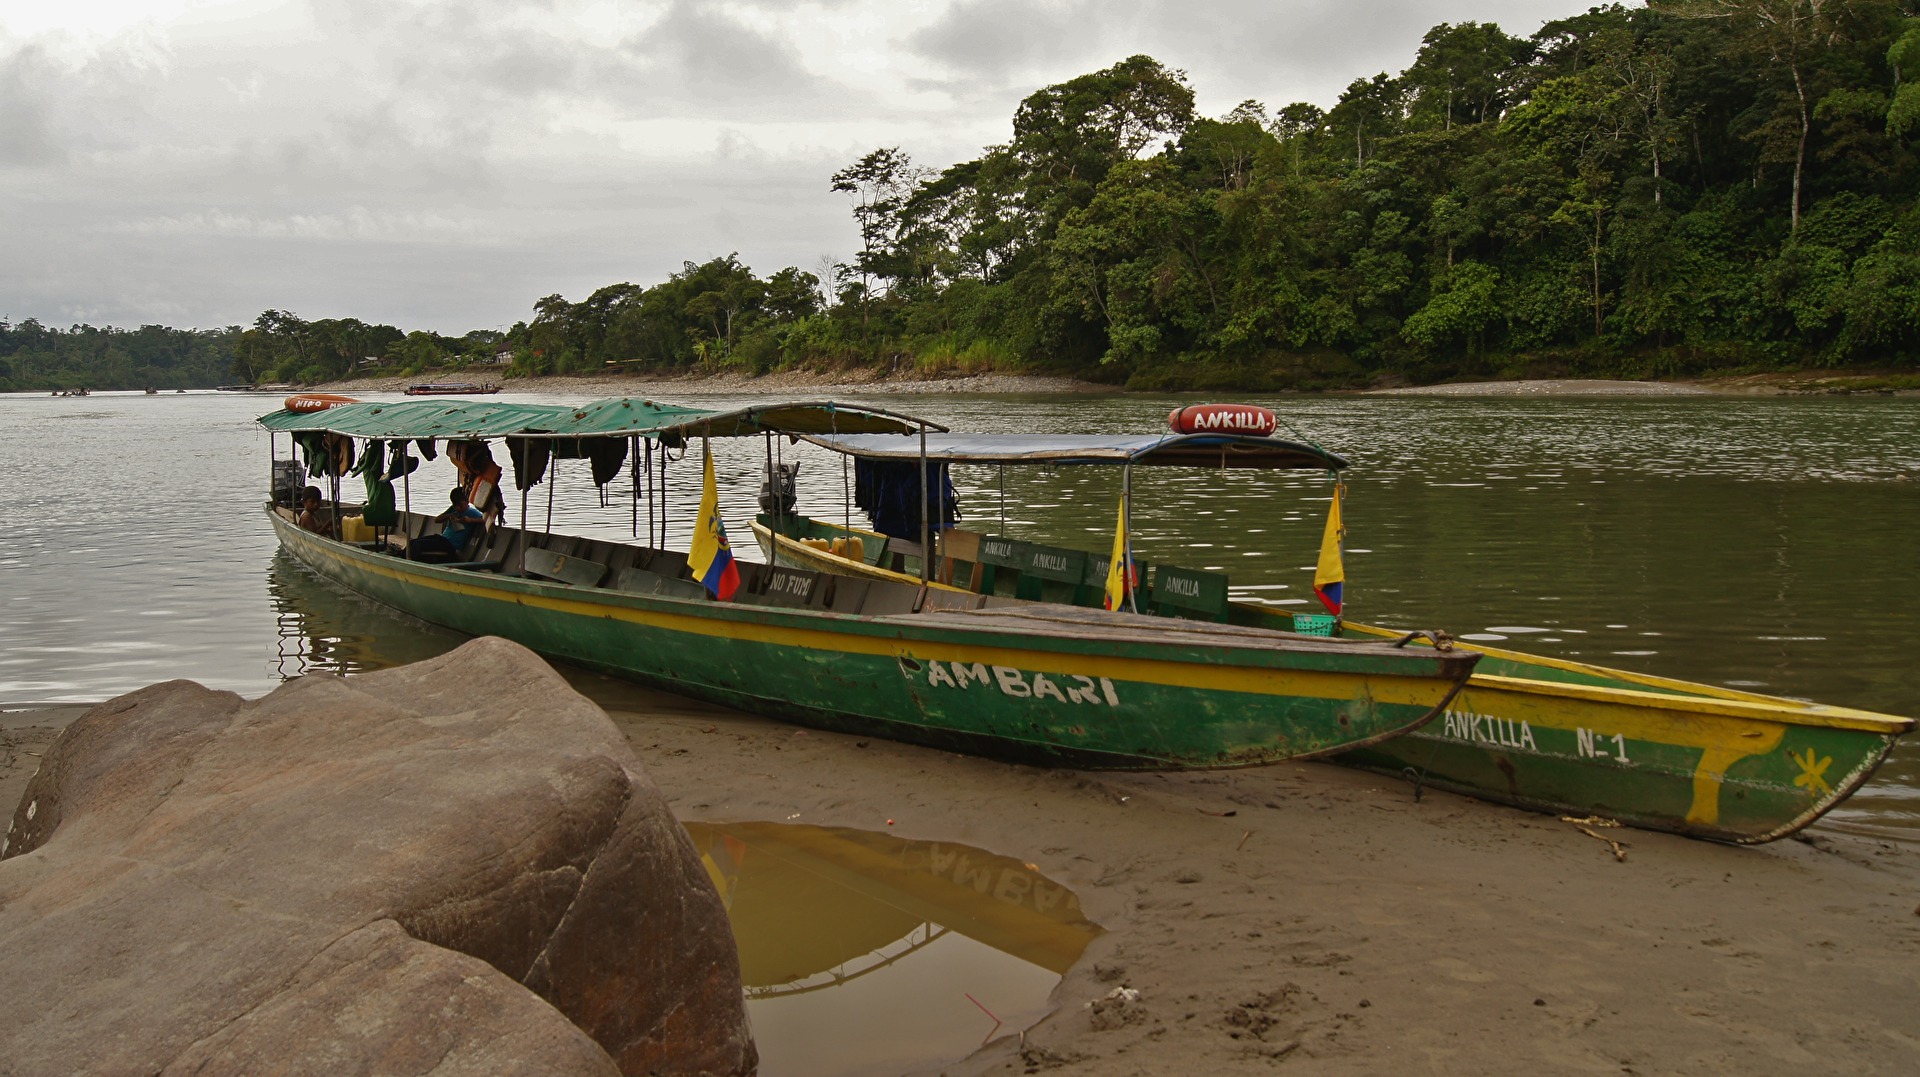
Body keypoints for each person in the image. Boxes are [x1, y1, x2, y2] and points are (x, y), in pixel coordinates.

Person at [407, 487, 486, 561]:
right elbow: (437, 520)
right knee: (412, 542)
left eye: (460, 505)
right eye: (455, 505)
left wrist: (470, 520)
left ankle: (413, 561)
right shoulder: (453, 509)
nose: (457, 508)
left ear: (467, 501)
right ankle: (402, 555)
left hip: (450, 545)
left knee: (418, 545)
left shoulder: (473, 513)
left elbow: (485, 520)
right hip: (442, 539)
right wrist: (448, 516)